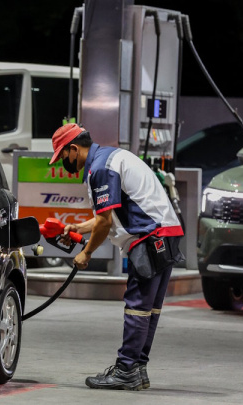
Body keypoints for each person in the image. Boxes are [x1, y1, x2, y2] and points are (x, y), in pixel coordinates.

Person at [49, 123, 184, 391]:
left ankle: (125, 370)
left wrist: (86, 254)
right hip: (166, 234)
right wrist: (78, 228)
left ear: (73, 149)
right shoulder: (111, 157)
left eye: (63, 157)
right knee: (149, 309)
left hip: (149, 237)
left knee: (137, 307)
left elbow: (104, 222)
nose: (64, 164)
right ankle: (138, 369)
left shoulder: (101, 168)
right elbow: (109, 215)